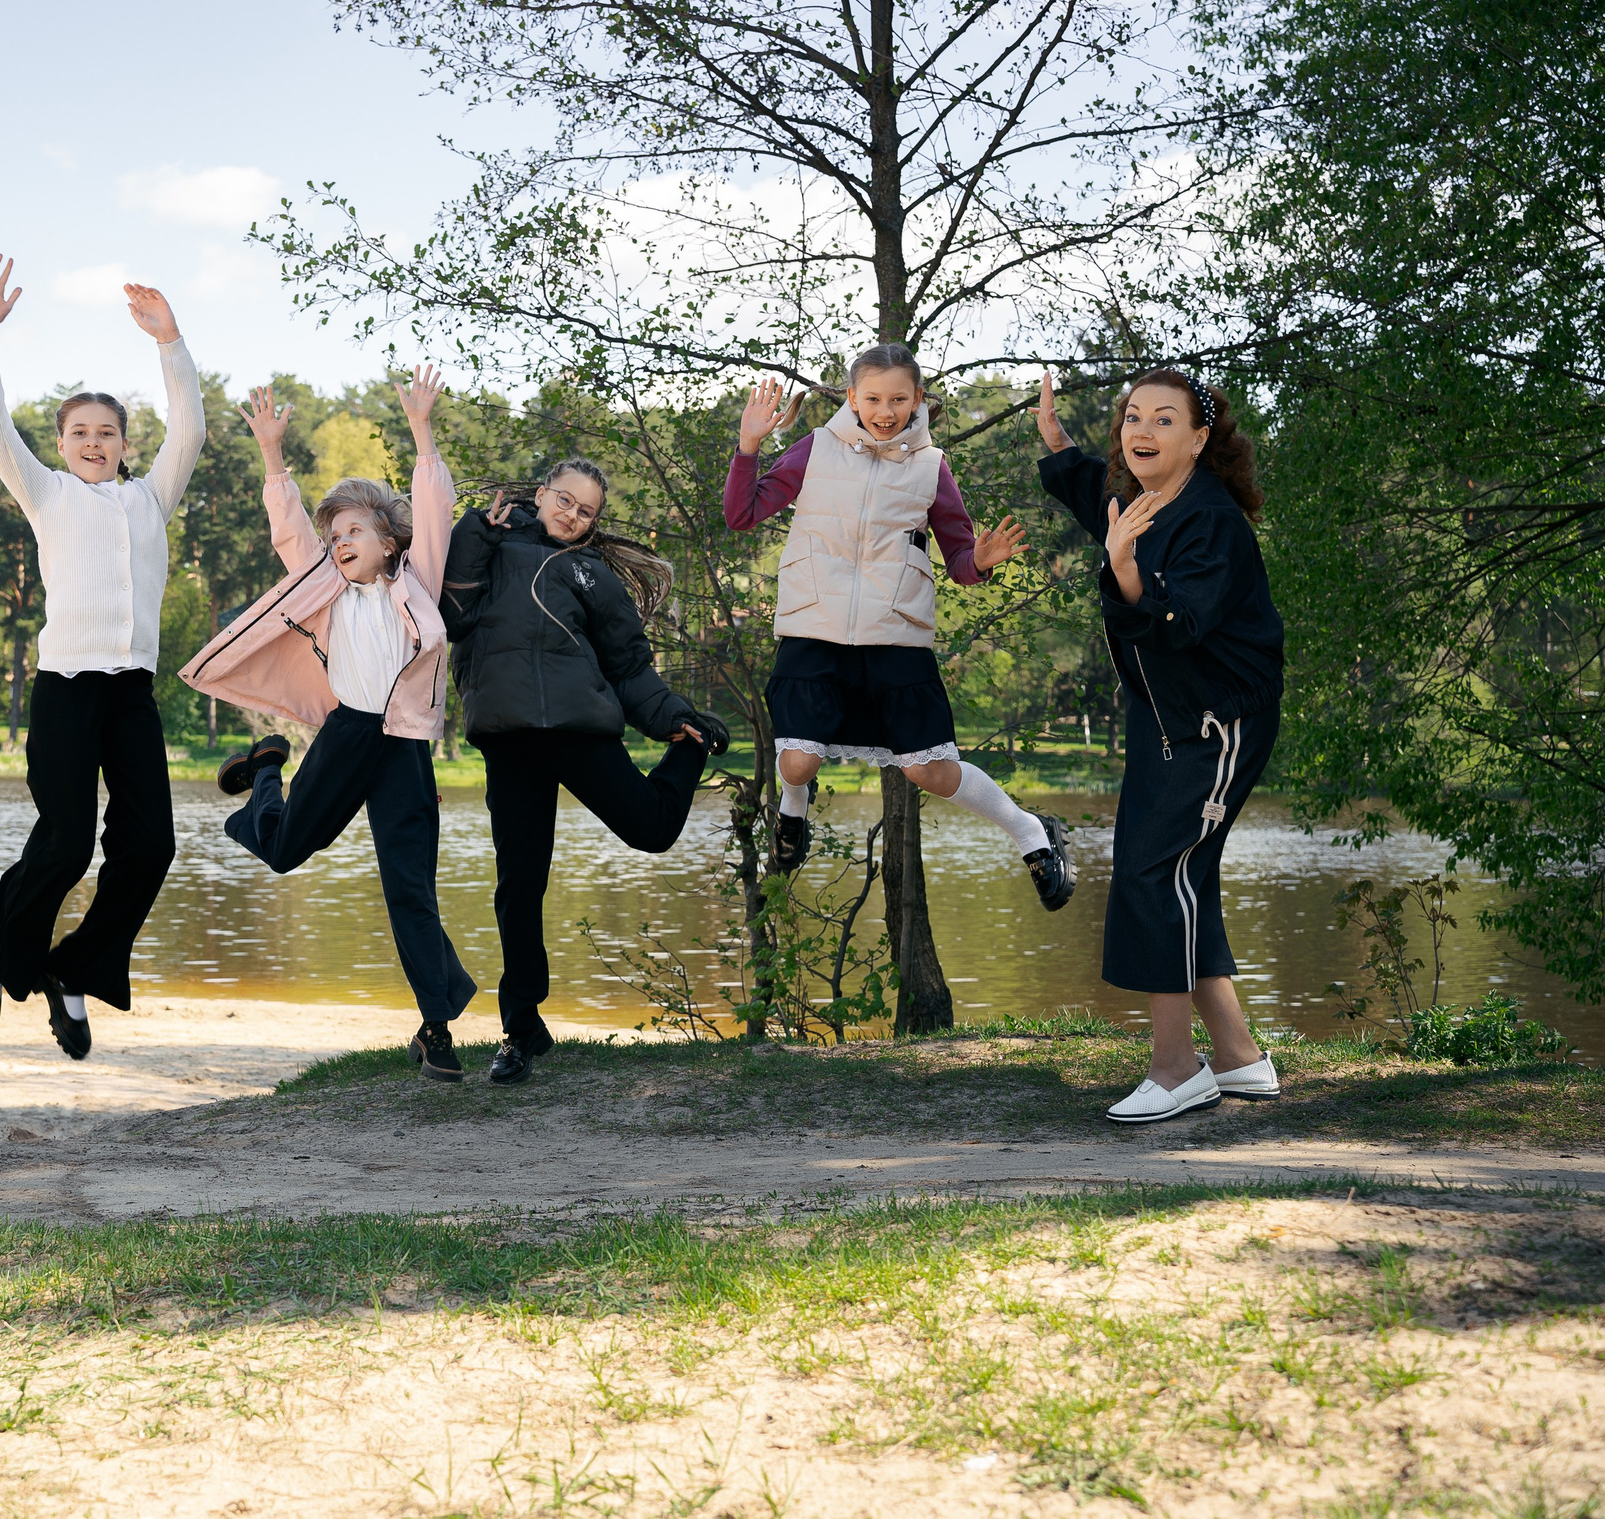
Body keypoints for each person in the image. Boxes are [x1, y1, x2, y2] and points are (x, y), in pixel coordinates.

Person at [180, 368, 479, 1081]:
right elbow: (288, 529)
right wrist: (272, 457)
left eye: (354, 530)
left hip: (404, 747)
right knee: (284, 852)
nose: (340, 541)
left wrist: (421, 428)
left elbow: (436, 506)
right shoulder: (323, 591)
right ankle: (265, 772)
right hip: (347, 736)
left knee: (410, 886)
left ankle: (437, 1026)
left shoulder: (417, 583)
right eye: (334, 533)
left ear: (389, 540)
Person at [0, 253, 207, 1059]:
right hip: (64, 689)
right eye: (79, 432)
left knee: (151, 845)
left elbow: (192, 427)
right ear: (61, 443)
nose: (93, 442)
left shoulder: (150, 497)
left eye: (107, 432)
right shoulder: (47, 493)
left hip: (130, 694)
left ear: (127, 443)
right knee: (64, 841)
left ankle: (75, 967)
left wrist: (170, 342)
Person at [728, 345, 1076, 904]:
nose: (884, 410)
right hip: (813, 627)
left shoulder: (931, 467)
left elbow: (960, 560)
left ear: (918, 400)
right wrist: (749, 446)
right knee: (797, 760)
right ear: (851, 399)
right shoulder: (814, 449)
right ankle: (793, 814)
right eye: (872, 398)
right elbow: (741, 514)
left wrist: (980, 562)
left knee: (932, 774)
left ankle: (1033, 833)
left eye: (897, 398)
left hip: (895, 635)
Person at [1035, 367, 1287, 1122]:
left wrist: (1122, 572)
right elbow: (1097, 497)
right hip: (1165, 721)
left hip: (1217, 721)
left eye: (1165, 419)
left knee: (1154, 873)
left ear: (1200, 438)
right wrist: (1058, 444)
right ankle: (1239, 1057)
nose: (1141, 430)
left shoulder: (1211, 522)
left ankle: (1177, 1068)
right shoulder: (1140, 498)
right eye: (1133, 416)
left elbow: (1182, 624)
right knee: (1183, 878)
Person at [441, 457, 729, 1085]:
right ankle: (519, 1031)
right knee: (520, 886)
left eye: (586, 511)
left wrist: (678, 720)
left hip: (579, 730)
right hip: (510, 740)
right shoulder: (487, 543)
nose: (571, 515)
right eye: (564, 500)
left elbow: (629, 669)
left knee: (652, 830)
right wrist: (474, 532)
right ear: (540, 493)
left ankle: (690, 751)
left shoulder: (590, 573)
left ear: (594, 523)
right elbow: (452, 615)